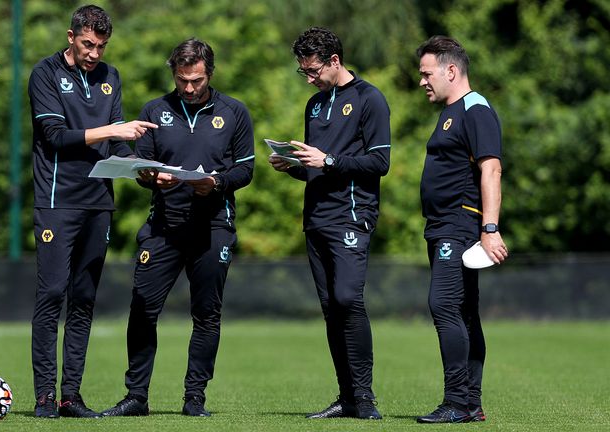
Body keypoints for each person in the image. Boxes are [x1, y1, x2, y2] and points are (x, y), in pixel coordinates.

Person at [98, 38, 254, 418]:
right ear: (174, 74)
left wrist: (215, 183)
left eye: (196, 81)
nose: (188, 88)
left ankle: (195, 398)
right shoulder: (155, 109)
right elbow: (139, 166)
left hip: (214, 225)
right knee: (142, 307)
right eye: (182, 80)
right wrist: (152, 177)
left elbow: (245, 169)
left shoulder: (234, 112)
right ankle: (136, 396)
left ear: (209, 74)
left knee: (206, 314)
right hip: (164, 227)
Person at [28, 5, 157, 419]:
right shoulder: (45, 74)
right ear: (71, 37)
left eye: (101, 46)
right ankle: (45, 396)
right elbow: (55, 137)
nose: (94, 53)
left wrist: (142, 168)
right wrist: (113, 131)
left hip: (99, 203)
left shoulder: (111, 77)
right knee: (51, 295)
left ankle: (70, 396)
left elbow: (117, 143)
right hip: (57, 201)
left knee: (83, 300)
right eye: (87, 44)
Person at [269, 27, 390, 420]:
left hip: (352, 216)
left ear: (334, 61)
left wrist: (329, 160)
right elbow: (316, 169)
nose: (309, 78)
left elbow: (379, 162)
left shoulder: (370, 99)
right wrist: (293, 166)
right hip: (316, 219)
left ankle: (366, 399)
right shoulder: (315, 105)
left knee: (347, 300)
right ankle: (347, 398)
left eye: (313, 70)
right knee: (330, 309)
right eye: (302, 71)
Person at [414, 35, 508, 423]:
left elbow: (491, 168)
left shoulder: (475, 108)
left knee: (444, 305)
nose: (421, 81)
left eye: (426, 73)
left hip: (461, 223)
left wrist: (489, 227)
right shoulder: (451, 111)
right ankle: (471, 403)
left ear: (451, 70)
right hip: (441, 226)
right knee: (465, 311)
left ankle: (458, 402)